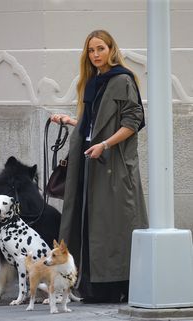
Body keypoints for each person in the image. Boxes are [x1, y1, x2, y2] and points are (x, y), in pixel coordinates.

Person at [51, 30, 148, 303]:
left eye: (100, 48)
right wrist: (72, 122)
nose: (95, 54)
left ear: (111, 49)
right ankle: (93, 286)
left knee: (113, 224)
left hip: (112, 164)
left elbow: (134, 121)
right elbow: (94, 121)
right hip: (89, 161)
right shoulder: (93, 81)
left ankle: (118, 286)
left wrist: (104, 145)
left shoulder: (122, 79)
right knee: (89, 221)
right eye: (91, 50)